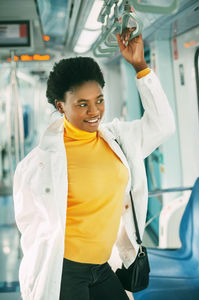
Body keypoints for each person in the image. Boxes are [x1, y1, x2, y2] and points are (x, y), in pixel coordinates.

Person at [13, 28, 175, 300]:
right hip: (64, 271)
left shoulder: (118, 139)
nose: (94, 112)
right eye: (82, 104)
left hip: (103, 266)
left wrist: (140, 67)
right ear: (61, 106)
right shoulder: (38, 164)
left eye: (99, 100)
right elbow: (31, 226)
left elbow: (163, 125)